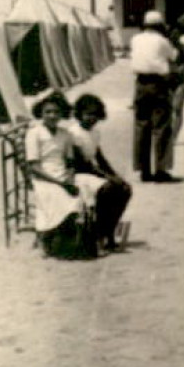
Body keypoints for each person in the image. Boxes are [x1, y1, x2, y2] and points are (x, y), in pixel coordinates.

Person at [25, 92, 99, 259]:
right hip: (44, 178)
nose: (52, 116)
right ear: (41, 114)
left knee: (84, 192)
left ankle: (75, 241)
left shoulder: (65, 134)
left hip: (63, 176)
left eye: (56, 112)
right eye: (48, 112)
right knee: (61, 197)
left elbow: (70, 161)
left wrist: (70, 177)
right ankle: (52, 240)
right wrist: (60, 183)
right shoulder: (34, 133)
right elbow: (34, 167)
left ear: (62, 114)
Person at [68, 93, 133, 252]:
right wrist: (108, 177)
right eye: (88, 114)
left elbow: (99, 158)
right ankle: (100, 232)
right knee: (108, 189)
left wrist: (115, 175)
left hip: (90, 172)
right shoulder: (74, 133)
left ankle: (108, 229)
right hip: (77, 174)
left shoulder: (94, 132)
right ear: (79, 114)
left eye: (95, 115)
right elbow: (81, 164)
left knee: (125, 189)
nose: (91, 119)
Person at [128, 10, 177, 183]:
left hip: (140, 83)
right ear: (160, 26)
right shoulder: (163, 41)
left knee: (141, 126)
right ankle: (161, 169)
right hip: (158, 84)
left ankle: (143, 169)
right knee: (161, 127)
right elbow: (173, 56)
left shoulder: (135, 39)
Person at [160, 33, 184, 176]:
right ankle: (171, 135)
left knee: (177, 109)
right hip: (172, 82)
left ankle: (174, 136)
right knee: (170, 110)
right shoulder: (173, 53)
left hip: (179, 82)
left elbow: (182, 71)